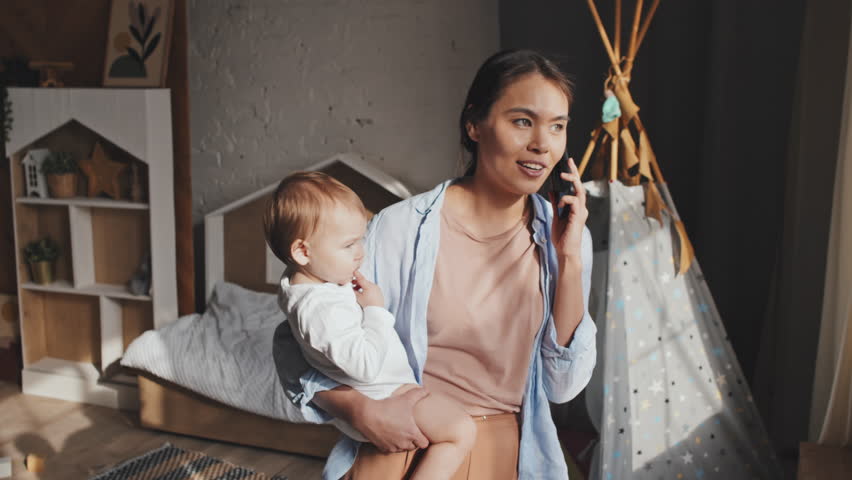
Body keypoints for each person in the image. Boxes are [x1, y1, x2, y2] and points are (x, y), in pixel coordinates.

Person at [272, 49, 597, 480]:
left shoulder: (566, 237)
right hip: (406, 446)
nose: (542, 143)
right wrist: (358, 409)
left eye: (557, 127)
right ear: (474, 125)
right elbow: (295, 339)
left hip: (510, 455)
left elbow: (564, 386)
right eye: (523, 121)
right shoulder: (399, 229)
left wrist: (569, 258)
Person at [264, 171, 477, 480]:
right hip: (383, 399)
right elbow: (363, 365)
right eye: (349, 245)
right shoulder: (320, 309)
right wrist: (375, 310)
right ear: (303, 252)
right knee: (460, 431)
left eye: (361, 240)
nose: (361, 253)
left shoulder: (310, 282)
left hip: (390, 391)